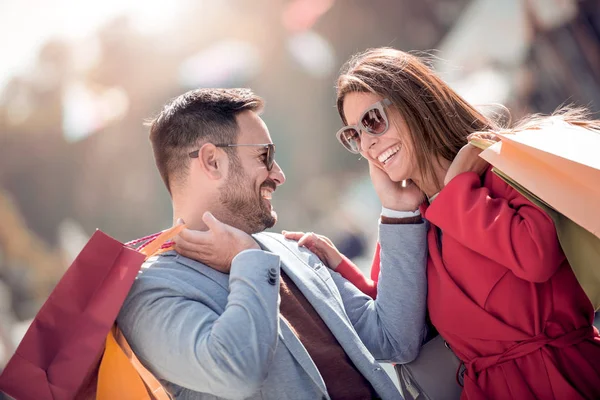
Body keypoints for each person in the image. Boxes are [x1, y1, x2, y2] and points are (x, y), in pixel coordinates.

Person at [281, 48, 600, 399]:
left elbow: (535, 256)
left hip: (570, 379)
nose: (368, 143)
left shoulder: (503, 166)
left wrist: (458, 192)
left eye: (372, 121)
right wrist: (341, 268)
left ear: (415, 104)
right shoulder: (412, 221)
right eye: (355, 135)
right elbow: (403, 326)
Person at [117, 88, 429, 400]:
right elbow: (236, 372)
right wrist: (247, 259)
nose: (278, 175)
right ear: (212, 162)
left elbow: (394, 339)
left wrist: (398, 212)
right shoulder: (149, 290)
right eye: (264, 156)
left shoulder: (289, 249)